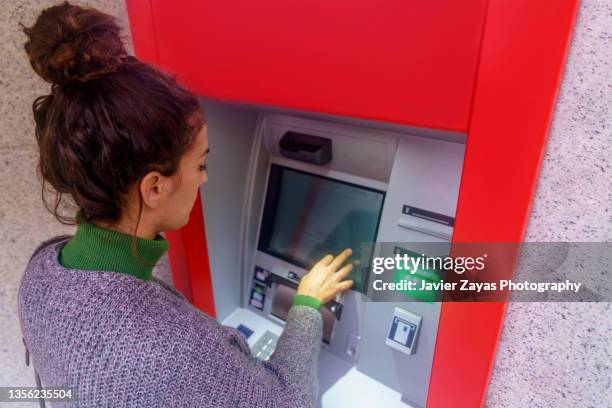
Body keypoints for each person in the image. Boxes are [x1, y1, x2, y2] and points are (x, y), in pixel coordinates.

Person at [17, 3, 354, 407]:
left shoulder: (41, 272)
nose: (205, 179)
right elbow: (288, 402)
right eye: (201, 163)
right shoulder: (175, 350)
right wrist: (306, 303)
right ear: (154, 187)